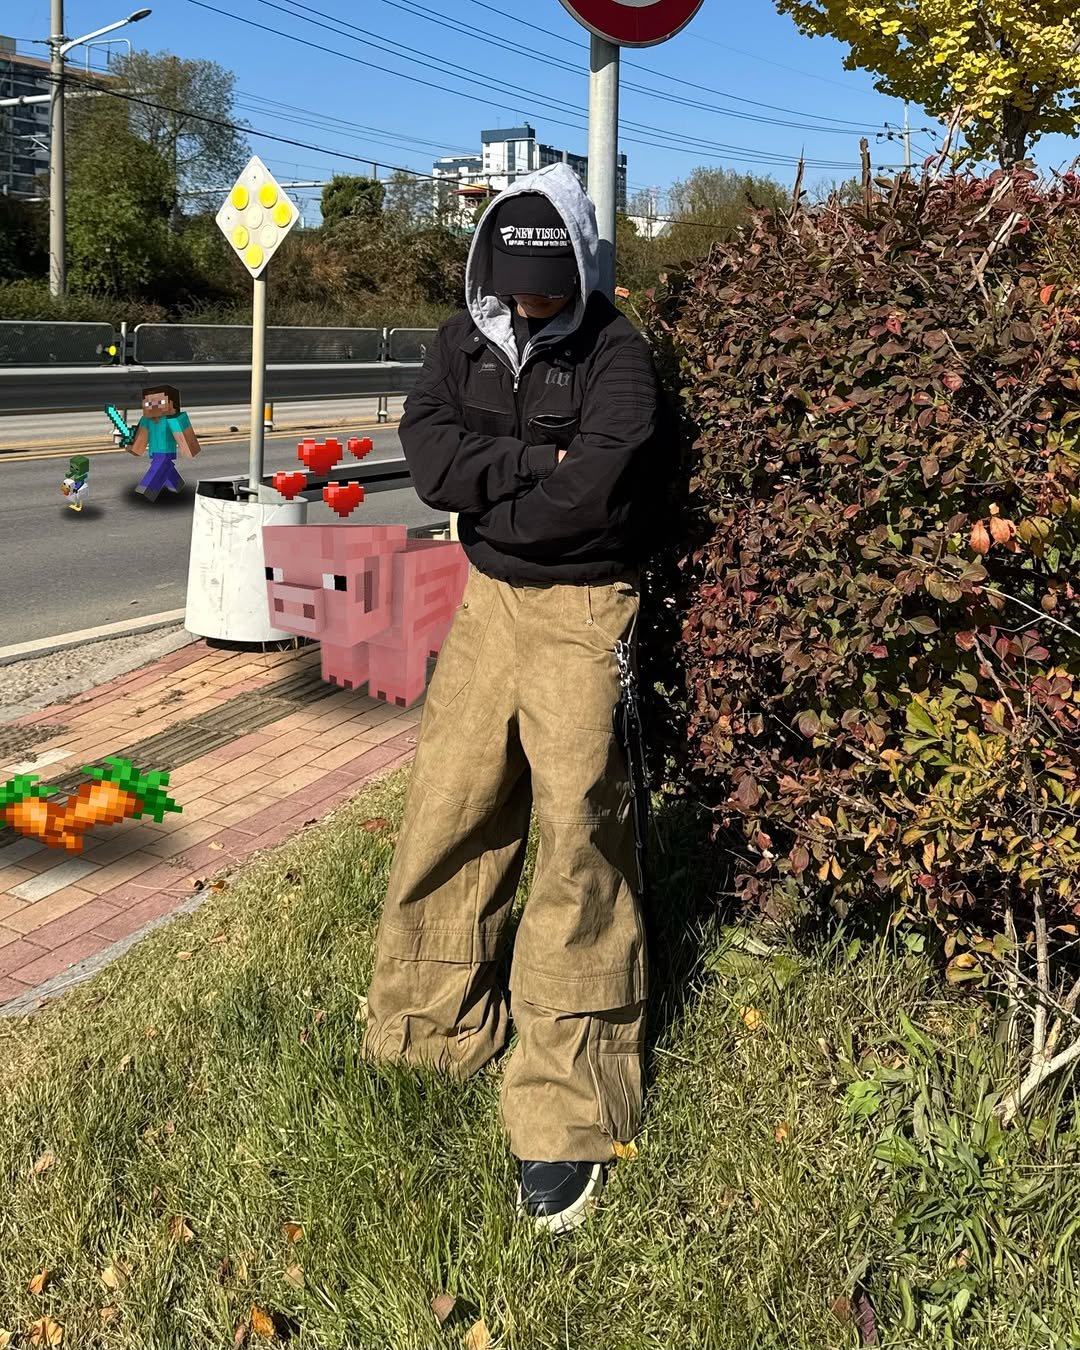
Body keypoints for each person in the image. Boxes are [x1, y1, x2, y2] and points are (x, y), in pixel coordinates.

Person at [362, 162, 669, 1235]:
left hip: (588, 607)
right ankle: (429, 1024)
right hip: (487, 601)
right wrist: (531, 464)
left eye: (551, 286)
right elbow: (429, 458)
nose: (533, 304)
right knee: (450, 800)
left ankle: (568, 1104)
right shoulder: (459, 342)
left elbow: (600, 485)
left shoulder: (620, 355)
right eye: (516, 285)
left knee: (581, 832)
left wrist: (510, 491)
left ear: (579, 269)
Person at [125, 385, 202, 501]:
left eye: (160, 402)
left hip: (167, 449)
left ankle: (147, 490)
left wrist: (188, 449)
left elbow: (182, 435)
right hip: (154, 450)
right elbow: (141, 436)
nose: (154, 406)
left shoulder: (171, 419)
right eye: (148, 404)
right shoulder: (146, 420)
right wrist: (134, 447)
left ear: (171, 403)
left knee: (158, 467)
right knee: (166, 467)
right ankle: (176, 483)